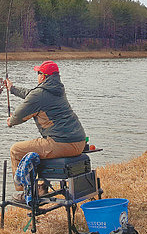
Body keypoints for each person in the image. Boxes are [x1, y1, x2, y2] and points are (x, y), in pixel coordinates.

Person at [5, 60, 86, 201]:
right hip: (79, 143)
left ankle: (25, 192)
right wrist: (12, 89)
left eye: (38, 73)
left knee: (15, 150)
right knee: (39, 148)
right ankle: (42, 186)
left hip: (62, 144)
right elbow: (31, 94)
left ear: (43, 76)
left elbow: (18, 116)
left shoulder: (40, 94)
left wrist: (11, 121)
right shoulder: (57, 90)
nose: (37, 75)